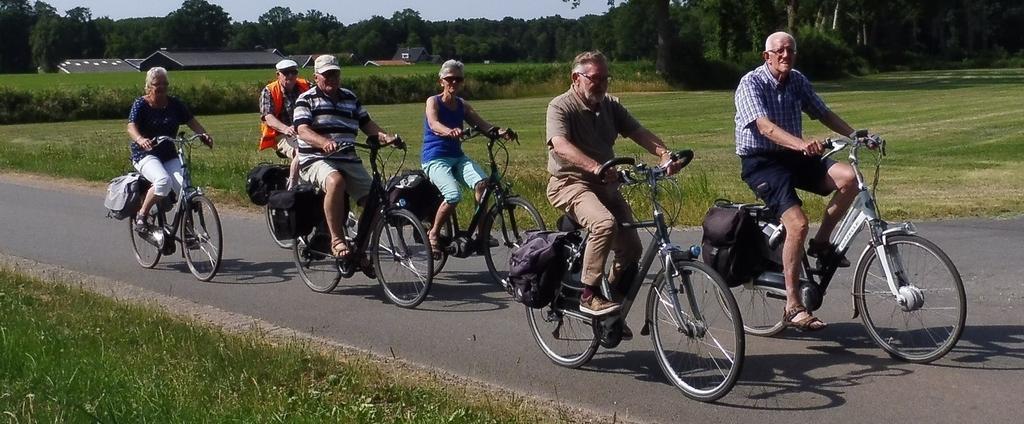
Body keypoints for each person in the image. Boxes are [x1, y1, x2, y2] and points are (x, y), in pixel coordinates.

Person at [734, 31, 865, 331]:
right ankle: (793, 305)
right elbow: (764, 127)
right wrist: (801, 143)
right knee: (798, 224)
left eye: (790, 50)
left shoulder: (797, 80)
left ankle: (821, 244)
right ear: (766, 56)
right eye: (779, 51)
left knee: (850, 178)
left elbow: (823, 112)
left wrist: (856, 135)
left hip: (794, 156)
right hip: (762, 162)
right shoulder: (750, 83)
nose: (785, 55)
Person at [546, 51, 684, 316]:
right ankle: (588, 294)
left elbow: (638, 132)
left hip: (605, 185)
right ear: (576, 78)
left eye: (605, 78)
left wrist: (665, 155)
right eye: (594, 78)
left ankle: (611, 307)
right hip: (570, 183)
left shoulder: (610, 105)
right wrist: (596, 167)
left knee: (632, 249)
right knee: (604, 224)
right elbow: (560, 145)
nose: (601, 84)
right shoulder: (560, 106)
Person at [293, 54, 397, 262]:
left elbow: (367, 124)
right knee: (336, 181)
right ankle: (337, 239)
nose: (331, 78)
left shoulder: (350, 97)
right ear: (316, 77)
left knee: (376, 200)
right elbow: (302, 129)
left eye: (335, 74)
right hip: (316, 158)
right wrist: (323, 142)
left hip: (347, 158)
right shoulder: (306, 99)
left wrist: (386, 137)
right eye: (326, 75)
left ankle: (361, 248)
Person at [421, 59, 514, 257]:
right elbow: (434, 123)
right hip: (435, 159)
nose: (454, 83)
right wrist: (449, 131)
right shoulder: (433, 101)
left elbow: (482, 124)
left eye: (458, 79)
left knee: (483, 185)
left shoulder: (462, 105)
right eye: (450, 79)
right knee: (453, 195)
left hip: (457, 157)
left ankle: (481, 236)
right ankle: (434, 234)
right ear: (441, 81)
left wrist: (501, 132)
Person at [126, 66, 212, 232]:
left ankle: (188, 232)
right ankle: (142, 215)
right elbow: (131, 126)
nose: (162, 88)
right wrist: (141, 139)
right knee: (163, 182)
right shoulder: (141, 104)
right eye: (158, 84)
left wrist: (203, 135)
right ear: (149, 86)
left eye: (165, 84)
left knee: (185, 188)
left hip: (168, 153)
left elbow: (191, 121)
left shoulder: (174, 104)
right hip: (145, 154)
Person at [259, 59, 311, 188]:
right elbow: (268, 117)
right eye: (286, 73)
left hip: (305, 130)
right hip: (281, 134)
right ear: (278, 75)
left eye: (293, 72)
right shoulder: (269, 91)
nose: (290, 76)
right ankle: (291, 188)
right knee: (302, 152)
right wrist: (286, 129)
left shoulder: (307, 86)